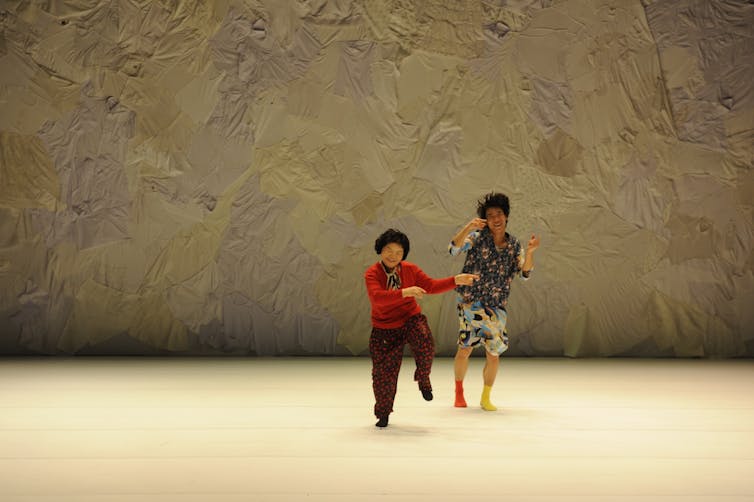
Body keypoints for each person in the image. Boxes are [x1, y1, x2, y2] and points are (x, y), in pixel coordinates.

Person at [365, 228, 478, 428]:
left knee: (425, 342)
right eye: (389, 250)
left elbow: (431, 286)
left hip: (410, 319)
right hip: (384, 328)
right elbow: (377, 298)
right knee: (383, 375)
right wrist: (404, 292)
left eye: (399, 252)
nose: (394, 256)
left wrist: (455, 280)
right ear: (381, 250)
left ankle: (423, 377)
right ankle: (383, 413)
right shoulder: (372, 274)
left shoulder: (410, 269)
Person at [449, 192, 540, 411]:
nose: (495, 218)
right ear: (485, 220)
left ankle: (486, 397)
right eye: (490, 215)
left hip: (496, 307)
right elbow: (453, 249)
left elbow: (525, 274)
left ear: (506, 216)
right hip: (470, 303)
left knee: (493, 354)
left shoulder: (514, 245)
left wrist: (530, 253)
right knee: (464, 349)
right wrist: (469, 227)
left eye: (499, 214)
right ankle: (459, 391)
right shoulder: (477, 237)